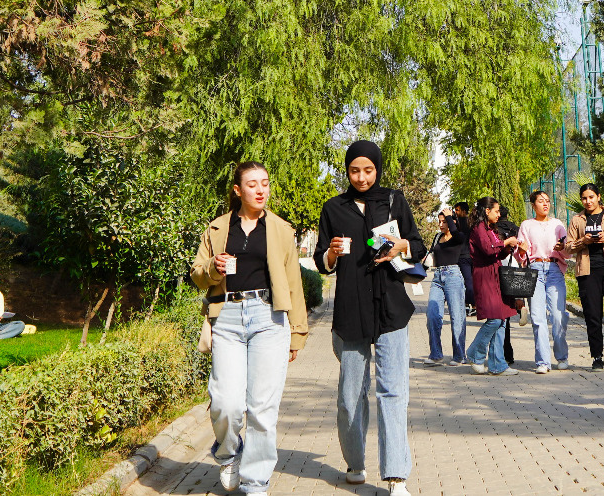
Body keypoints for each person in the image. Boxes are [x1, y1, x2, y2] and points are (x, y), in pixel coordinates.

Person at [191, 161, 309, 494]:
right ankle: (229, 454)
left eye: (265, 184)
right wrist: (213, 269)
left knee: (262, 408)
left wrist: (298, 332)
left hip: (269, 318)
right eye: (253, 184)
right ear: (238, 190)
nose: (260, 190)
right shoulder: (217, 229)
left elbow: (293, 283)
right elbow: (197, 275)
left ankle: (256, 483)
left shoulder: (281, 230)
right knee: (225, 401)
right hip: (226, 316)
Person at [314, 141, 425, 496]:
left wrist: (402, 246)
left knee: (393, 391)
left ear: (378, 169)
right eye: (354, 170)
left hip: (391, 308)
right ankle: (355, 461)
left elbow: (419, 245)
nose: (361, 177)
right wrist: (331, 254)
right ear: (346, 171)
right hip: (350, 310)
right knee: (350, 396)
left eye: (368, 170)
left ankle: (396, 476)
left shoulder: (393, 200)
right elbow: (321, 262)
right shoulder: (334, 208)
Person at [567, 183, 604, 370]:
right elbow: (568, 247)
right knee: (593, 315)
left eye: (591, 197)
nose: (588, 201)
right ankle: (597, 356)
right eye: (584, 198)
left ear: (598, 197)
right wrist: (582, 241)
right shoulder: (577, 220)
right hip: (587, 271)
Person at [465, 196, 520, 374]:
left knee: (502, 319)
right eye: (496, 211)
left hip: (495, 274)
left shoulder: (490, 228)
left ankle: (498, 364)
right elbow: (488, 250)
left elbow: (496, 253)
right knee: (495, 318)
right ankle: (475, 353)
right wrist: (506, 242)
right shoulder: (479, 228)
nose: (499, 214)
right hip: (485, 276)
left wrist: (507, 248)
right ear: (487, 211)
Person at [519, 189, 571, 373]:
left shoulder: (558, 224)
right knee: (538, 318)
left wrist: (562, 248)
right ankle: (543, 362)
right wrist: (522, 250)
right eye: (541, 201)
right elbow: (521, 256)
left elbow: (568, 252)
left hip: (555, 269)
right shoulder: (526, 225)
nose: (545, 204)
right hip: (535, 270)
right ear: (533, 205)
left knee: (558, 316)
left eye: (547, 201)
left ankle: (562, 356)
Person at [425, 204, 469, 365]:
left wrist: (450, 216)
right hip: (437, 276)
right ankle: (436, 354)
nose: (441, 224)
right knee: (432, 315)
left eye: (444, 221)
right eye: (439, 221)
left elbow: (458, 235)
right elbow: (430, 254)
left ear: (452, 222)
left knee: (457, 316)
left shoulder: (459, 237)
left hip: (453, 276)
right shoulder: (437, 237)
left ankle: (459, 356)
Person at [492, 205, 526, 363]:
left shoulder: (493, 229)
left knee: (502, 315)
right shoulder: (515, 228)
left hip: (499, 269)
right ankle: (520, 305)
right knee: (513, 301)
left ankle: (506, 354)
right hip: (513, 267)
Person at [454, 200, 476, 311]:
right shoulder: (473, 222)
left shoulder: (459, 223)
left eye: (457, 210)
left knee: (466, 281)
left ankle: (470, 303)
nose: (455, 212)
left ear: (463, 211)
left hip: (463, 256)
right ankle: (471, 303)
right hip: (473, 255)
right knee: (472, 280)